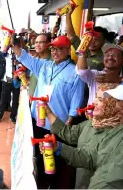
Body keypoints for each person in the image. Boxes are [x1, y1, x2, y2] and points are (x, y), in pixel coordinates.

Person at [13, 35, 85, 189]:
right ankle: (39, 181)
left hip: (57, 123)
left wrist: (69, 121)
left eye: (59, 49)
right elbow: (23, 56)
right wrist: (14, 43)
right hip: (37, 119)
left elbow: (76, 100)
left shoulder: (75, 72)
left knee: (55, 159)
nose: (55, 52)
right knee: (38, 155)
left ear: (67, 50)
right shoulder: (44, 65)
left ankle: (52, 184)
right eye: (53, 49)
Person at [42, 76, 123, 189]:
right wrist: (58, 147)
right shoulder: (120, 131)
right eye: (118, 100)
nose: (118, 106)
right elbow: (92, 158)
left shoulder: (116, 129)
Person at [66, 6, 107, 71]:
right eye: (90, 38)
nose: (92, 42)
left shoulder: (105, 58)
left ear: (103, 42)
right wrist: (68, 15)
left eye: (96, 39)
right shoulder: (83, 49)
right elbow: (71, 35)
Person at [28, 33, 52, 97]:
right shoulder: (35, 59)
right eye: (36, 42)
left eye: (41, 42)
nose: (37, 45)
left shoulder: (53, 61)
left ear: (49, 44)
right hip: (32, 100)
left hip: (43, 102)